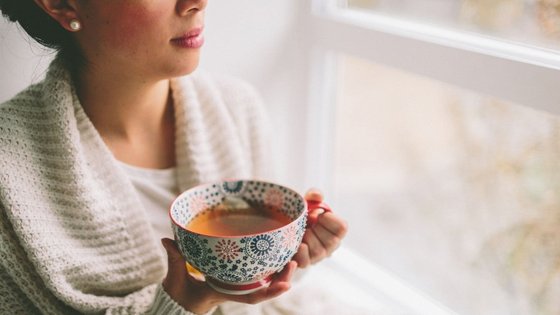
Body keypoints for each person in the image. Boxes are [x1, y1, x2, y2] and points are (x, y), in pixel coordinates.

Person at [0, 1, 348, 314]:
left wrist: (287, 255)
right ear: (61, 4)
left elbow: (260, 293)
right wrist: (180, 306)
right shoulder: (9, 170)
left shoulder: (237, 108)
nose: (198, 3)